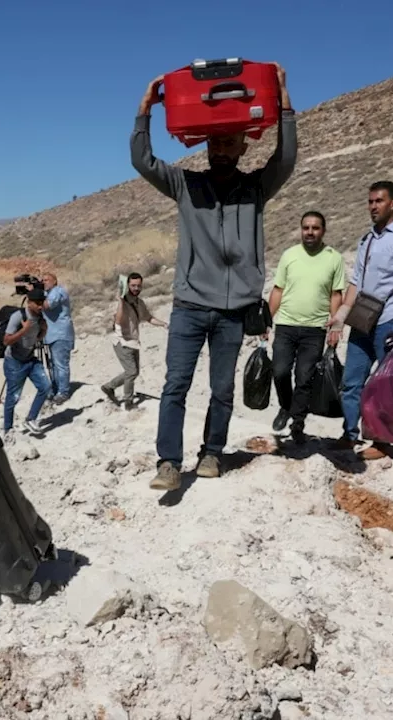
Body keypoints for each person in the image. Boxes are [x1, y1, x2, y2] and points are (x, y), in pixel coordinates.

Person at [131, 62, 296, 491]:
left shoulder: (257, 188)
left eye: (228, 142)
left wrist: (283, 98)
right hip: (189, 306)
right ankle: (168, 462)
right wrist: (145, 110)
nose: (220, 149)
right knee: (176, 386)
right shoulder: (186, 185)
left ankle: (211, 453)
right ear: (206, 147)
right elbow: (143, 160)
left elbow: (287, 157)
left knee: (221, 388)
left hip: (233, 312)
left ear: (243, 146)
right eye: (214, 143)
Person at [330, 180, 393, 460]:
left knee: (386, 385)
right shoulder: (367, 239)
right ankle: (350, 435)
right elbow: (355, 283)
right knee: (352, 380)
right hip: (363, 319)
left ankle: (382, 442)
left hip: (391, 319)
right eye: (370, 201)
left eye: (379, 201)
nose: (373, 206)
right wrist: (340, 317)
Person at [267, 211, 346, 441]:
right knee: (280, 371)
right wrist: (267, 320)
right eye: (306, 228)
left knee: (304, 377)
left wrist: (335, 325)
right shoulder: (289, 255)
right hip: (286, 325)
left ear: (323, 230)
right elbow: (278, 290)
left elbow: (336, 294)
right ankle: (285, 405)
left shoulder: (334, 258)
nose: (310, 232)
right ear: (301, 229)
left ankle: (298, 423)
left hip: (315, 329)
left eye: (315, 228)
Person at [102, 272, 166, 408]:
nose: (136, 288)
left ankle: (109, 387)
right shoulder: (121, 302)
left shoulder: (139, 302)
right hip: (121, 340)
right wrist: (120, 301)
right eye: (133, 285)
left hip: (133, 341)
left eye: (138, 286)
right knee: (131, 372)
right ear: (127, 286)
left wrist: (164, 324)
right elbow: (118, 320)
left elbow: (149, 317)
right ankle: (128, 401)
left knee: (134, 372)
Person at [1, 288, 52, 437]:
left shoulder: (40, 316)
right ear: (29, 302)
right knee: (13, 397)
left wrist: (44, 330)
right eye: (37, 303)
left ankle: (31, 419)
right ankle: (8, 429)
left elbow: (37, 338)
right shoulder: (19, 316)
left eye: (42, 302)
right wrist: (24, 330)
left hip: (30, 358)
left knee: (45, 386)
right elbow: (6, 340)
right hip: (14, 362)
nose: (41, 306)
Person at [41, 273, 74, 404]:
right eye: (42, 280)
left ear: (55, 281)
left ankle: (63, 392)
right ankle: (55, 389)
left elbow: (47, 305)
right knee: (53, 364)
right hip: (51, 334)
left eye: (47, 280)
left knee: (61, 364)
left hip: (61, 333)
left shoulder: (58, 291)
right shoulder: (47, 294)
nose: (44, 282)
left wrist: (34, 294)